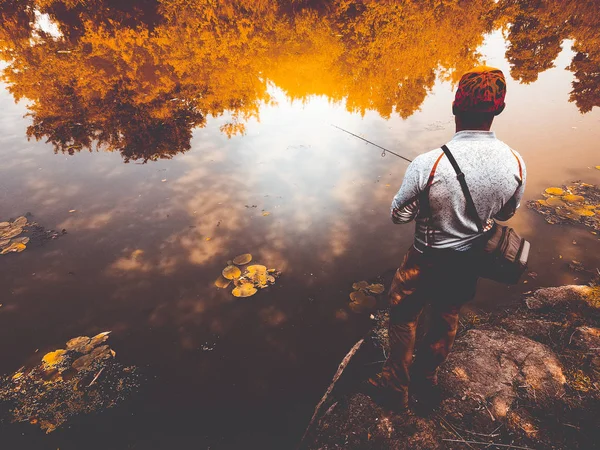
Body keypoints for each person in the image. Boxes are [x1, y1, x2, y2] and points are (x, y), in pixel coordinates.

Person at [368, 66, 526, 413]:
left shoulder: (429, 164)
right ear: (499, 109)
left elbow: (399, 216)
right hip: (467, 263)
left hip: (424, 260)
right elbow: (504, 215)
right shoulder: (515, 162)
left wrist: (428, 202)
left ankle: (396, 385)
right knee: (447, 314)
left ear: (455, 107)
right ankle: (427, 378)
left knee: (404, 316)